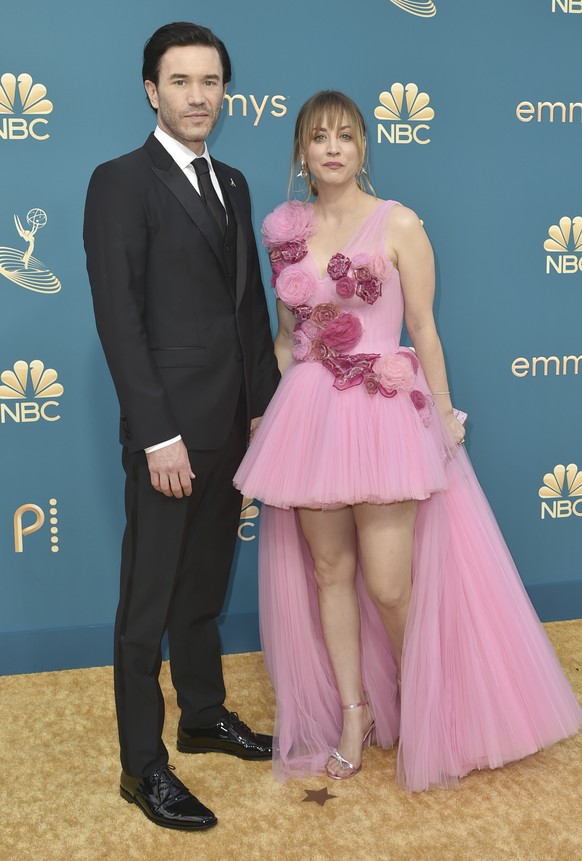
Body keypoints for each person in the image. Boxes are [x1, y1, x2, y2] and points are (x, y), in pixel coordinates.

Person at [233, 90, 582, 791]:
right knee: (328, 574)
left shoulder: (399, 223)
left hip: (384, 411)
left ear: (364, 147)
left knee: (391, 584)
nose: (332, 148)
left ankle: (431, 706)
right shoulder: (286, 230)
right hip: (309, 415)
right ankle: (354, 715)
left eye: (345, 136)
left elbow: (423, 326)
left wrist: (443, 418)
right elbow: (283, 335)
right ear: (300, 152)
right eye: (318, 137)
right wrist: (280, 405)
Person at [83, 22, 280, 830]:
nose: (199, 95)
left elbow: (247, 306)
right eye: (182, 81)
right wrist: (157, 431)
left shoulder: (232, 180)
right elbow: (119, 321)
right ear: (151, 91)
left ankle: (202, 715)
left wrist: (263, 404)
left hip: (230, 425)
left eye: (212, 81)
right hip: (168, 435)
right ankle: (143, 765)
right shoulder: (120, 181)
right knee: (147, 604)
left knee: (203, 587)